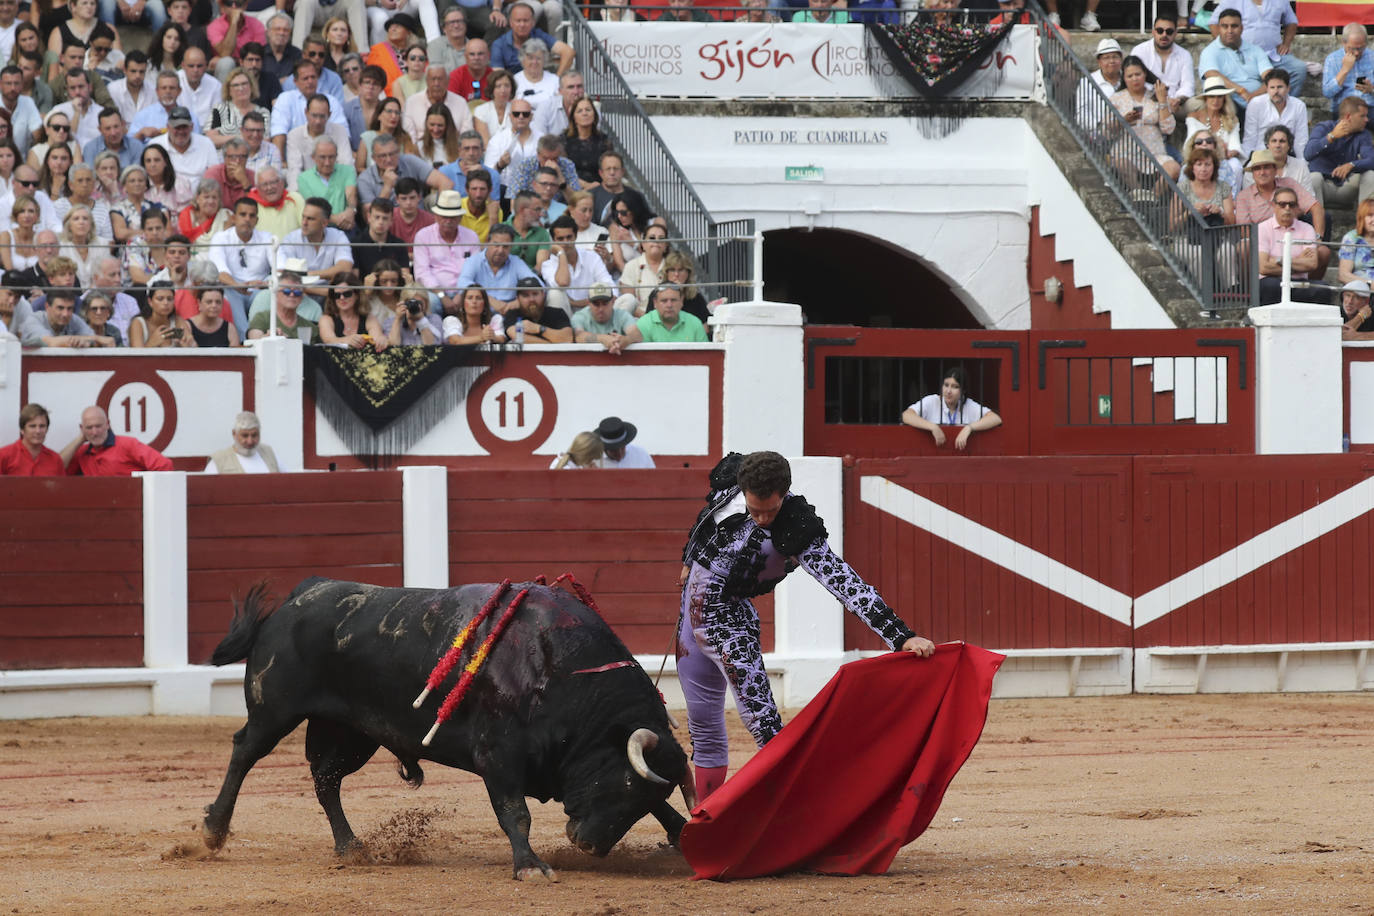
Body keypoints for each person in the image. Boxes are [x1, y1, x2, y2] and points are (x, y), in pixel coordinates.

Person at [677, 449, 935, 799]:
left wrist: (899, 635)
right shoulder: (732, 482)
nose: (764, 519)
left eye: (771, 510)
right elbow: (707, 518)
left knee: (765, 727)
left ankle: (797, 811)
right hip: (688, 628)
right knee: (703, 728)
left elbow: (845, 583)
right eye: (755, 510)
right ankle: (702, 819)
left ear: (785, 493)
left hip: (731, 627)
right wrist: (688, 559)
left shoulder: (797, 528)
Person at [1110, 56, 1180, 186]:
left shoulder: (1155, 95)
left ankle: (1153, 196)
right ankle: (1138, 195)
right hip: (1126, 153)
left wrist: (1162, 101)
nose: (1135, 78)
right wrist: (1123, 120)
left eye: (1138, 74)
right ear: (1124, 78)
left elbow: (1168, 128)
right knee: (1122, 165)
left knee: (1174, 169)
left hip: (1155, 152)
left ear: (1145, 74)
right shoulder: (1116, 98)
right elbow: (1106, 131)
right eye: (1130, 76)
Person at [1211, 0, 1304, 96]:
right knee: (1249, 82)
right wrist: (1227, 47)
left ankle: (1282, 104)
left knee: (1298, 69)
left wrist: (1286, 44)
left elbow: (1291, 22)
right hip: (1245, 55)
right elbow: (1213, 23)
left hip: (1274, 53)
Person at [207, 195, 272, 329]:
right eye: (243, 214)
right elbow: (219, 272)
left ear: (257, 220)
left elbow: (280, 268)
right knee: (227, 292)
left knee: (270, 291)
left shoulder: (267, 238)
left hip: (259, 289)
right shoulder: (220, 238)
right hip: (233, 288)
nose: (247, 219)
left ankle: (256, 335)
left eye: (251, 215)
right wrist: (237, 285)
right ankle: (244, 341)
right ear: (233, 217)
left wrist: (263, 284)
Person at [900, 366, 1003, 449]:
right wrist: (933, 427)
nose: (948, 391)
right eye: (946, 385)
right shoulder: (932, 401)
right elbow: (906, 415)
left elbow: (995, 418)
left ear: (963, 391)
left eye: (955, 387)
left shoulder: (968, 404)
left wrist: (969, 428)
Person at [1305, 96, 1374, 215]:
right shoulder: (1324, 127)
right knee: (1313, 178)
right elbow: (1308, 154)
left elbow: (1371, 160)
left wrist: (1351, 165)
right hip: (1324, 187)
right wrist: (1331, 137)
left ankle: (1365, 229)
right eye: (1362, 116)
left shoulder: (1364, 134)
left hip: (1347, 187)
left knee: (1370, 175)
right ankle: (1316, 228)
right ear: (1348, 117)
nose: (1367, 120)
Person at [414, 188, 481, 311]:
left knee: (476, 300)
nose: (448, 221)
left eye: (453, 217)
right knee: (432, 302)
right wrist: (442, 295)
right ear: (435, 216)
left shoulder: (471, 236)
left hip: (465, 291)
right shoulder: (423, 236)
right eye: (444, 217)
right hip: (435, 292)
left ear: (460, 218)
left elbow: (475, 270)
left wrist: (461, 294)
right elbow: (422, 272)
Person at [1258, 185, 1325, 305]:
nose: (1287, 208)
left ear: (1296, 207)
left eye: (1291, 204)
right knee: (1271, 286)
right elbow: (1263, 267)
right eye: (1282, 204)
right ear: (1274, 206)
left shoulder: (1307, 228)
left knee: (1322, 289)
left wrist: (1277, 260)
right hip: (1271, 281)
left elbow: (1312, 263)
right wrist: (1299, 260)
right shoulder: (1262, 228)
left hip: (1298, 281)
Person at [65, 404, 172, 475]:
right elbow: (57, 469)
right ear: (82, 428)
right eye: (89, 427)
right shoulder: (81, 452)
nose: (95, 432)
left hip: (133, 506)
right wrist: (79, 440)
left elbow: (164, 465)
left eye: (98, 426)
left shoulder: (128, 444)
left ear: (107, 424)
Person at [1197, 8, 1269, 112]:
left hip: (1257, 99)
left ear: (1242, 28)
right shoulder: (1210, 51)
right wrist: (1241, 91)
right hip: (1227, 100)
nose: (1230, 31)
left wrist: (1253, 96)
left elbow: (1270, 77)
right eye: (1225, 26)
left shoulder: (1256, 50)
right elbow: (1212, 74)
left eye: (1234, 26)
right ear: (1218, 28)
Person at [456, 221, 535, 313]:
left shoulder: (516, 262)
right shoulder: (474, 261)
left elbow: (537, 284)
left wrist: (520, 302)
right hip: (481, 313)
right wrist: (490, 300)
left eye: (505, 246)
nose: (500, 250)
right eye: (496, 245)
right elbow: (463, 284)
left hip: (510, 313)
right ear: (487, 242)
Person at [541, 213, 611, 315]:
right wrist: (561, 254)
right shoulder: (548, 265)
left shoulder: (592, 257)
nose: (566, 242)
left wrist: (577, 303)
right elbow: (563, 282)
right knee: (555, 294)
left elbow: (610, 286)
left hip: (593, 312)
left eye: (569, 237)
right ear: (554, 240)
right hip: (565, 317)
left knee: (627, 299)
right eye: (560, 239)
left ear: (576, 236)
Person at [1185, 77, 1243, 192]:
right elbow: (1190, 144)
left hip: (1225, 158)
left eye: (1219, 96)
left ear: (1224, 99)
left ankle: (1234, 200)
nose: (1215, 100)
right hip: (1199, 159)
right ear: (1205, 99)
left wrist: (1227, 153)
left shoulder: (1232, 119)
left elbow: (1235, 146)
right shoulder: (1194, 117)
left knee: (1235, 165)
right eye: (1212, 96)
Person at [1130, 15, 1193, 115]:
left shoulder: (1184, 55)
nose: (1164, 35)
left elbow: (1188, 85)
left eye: (1169, 31)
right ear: (1153, 32)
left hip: (1176, 103)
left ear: (1175, 33)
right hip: (1149, 101)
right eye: (1160, 30)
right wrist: (1161, 99)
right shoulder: (1139, 51)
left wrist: (1177, 100)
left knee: (1198, 104)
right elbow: (1135, 84)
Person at [283, 94, 350, 189]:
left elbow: (346, 164)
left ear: (329, 115)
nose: (318, 121)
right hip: (306, 186)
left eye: (322, 116)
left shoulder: (340, 131)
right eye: (314, 115)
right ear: (306, 112)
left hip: (335, 185)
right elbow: (295, 169)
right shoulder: (294, 135)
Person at [489, 2, 571, 75]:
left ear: (533, 22)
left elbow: (568, 52)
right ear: (510, 23)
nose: (522, 25)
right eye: (518, 21)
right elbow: (498, 76)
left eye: (526, 20)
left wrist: (557, 80)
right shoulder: (499, 44)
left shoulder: (539, 35)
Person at [403, 64, 473, 147]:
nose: (436, 83)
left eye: (440, 79)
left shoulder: (461, 102)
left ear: (448, 81)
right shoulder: (412, 102)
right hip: (420, 153)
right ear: (426, 81)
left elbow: (467, 135)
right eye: (433, 79)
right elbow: (409, 138)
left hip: (453, 152)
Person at [1242, 69, 1308, 157]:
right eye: (1272, 87)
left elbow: (1301, 140)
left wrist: (1302, 163)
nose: (1276, 91)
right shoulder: (1255, 104)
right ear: (1267, 89)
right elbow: (1250, 138)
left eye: (1280, 87)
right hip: (1261, 155)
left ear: (1288, 88)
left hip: (1287, 156)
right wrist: (1248, 161)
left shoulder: (1299, 106)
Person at [21, 284, 114, 346]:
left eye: (69, 308)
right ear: (47, 307)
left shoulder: (73, 319)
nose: (65, 314)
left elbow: (93, 340)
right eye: (60, 308)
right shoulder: (34, 319)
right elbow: (51, 342)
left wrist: (87, 341)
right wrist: (89, 339)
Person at [246, 264, 318, 340]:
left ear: (302, 296)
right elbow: (254, 340)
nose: (292, 294)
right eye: (286, 290)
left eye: (297, 291)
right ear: (276, 293)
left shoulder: (309, 327)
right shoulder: (262, 318)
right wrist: (268, 337)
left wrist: (287, 340)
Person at [318, 271, 383, 348]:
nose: (342, 298)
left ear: (357, 295)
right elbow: (328, 340)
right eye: (337, 295)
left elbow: (376, 339)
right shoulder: (326, 319)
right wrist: (347, 340)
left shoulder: (369, 318)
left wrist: (381, 341)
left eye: (347, 294)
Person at [572, 280, 639, 354]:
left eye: (605, 303)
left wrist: (626, 340)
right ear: (588, 303)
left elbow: (636, 334)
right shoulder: (580, 316)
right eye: (596, 304)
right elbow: (578, 336)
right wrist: (603, 338)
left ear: (613, 301)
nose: (601, 309)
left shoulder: (622, 314)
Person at [204, 410, 281, 473]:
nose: (250, 441)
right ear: (234, 434)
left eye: (254, 435)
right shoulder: (219, 460)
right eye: (245, 435)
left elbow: (286, 482)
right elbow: (206, 489)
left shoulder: (269, 453)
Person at [1322, 22, 1374, 115]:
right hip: (1344, 109)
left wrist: (1372, 90)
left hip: (1369, 107)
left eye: (1361, 48)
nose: (1357, 53)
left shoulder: (1372, 57)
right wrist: (1344, 70)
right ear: (1344, 43)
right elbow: (1327, 93)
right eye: (1352, 48)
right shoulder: (1332, 59)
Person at [0, 402, 64, 475]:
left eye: (42, 426)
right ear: (22, 430)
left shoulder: (55, 459)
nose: (38, 431)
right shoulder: (4, 456)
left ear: (47, 429)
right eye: (32, 426)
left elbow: (62, 486)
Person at [502, 275, 570, 343]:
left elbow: (567, 338)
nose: (532, 299)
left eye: (535, 294)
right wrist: (549, 344)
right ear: (518, 299)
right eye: (525, 295)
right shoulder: (512, 314)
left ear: (543, 294)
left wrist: (538, 328)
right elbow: (515, 335)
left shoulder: (557, 313)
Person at [131, 280, 195, 347]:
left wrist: (188, 346)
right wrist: (151, 343)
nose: (166, 303)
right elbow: (136, 356)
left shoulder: (177, 321)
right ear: (150, 302)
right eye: (160, 299)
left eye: (170, 299)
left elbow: (194, 348)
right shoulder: (138, 323)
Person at [562, 97, 608, 189]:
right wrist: (586, 186)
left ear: (594, 114)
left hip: (599, 187)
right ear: (574, 118)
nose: (584, 113)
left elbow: (608, 168)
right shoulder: (563, 141)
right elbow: (563, 172)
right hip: (571, 189)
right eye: (579, 111)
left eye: (588, 110)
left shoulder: (604, 140)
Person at [636, 283, 707, 343]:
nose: (669, 305)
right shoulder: (643, 324)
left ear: (681, 301)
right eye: (664, 301)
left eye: (673, 300)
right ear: (655, 303)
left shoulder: (695, 323)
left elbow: (705, 356)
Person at [105, 51, 156, 127]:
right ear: (124, 70)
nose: (137, 76)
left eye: (141, 72)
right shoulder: (113, 89)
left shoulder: (153, 90)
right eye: (133, 71)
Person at [1338, 197, 1374, 285]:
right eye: (1370, 215)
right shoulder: (1351, 238)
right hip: (1360, 288)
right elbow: (1343, 275)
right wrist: (1369, 284)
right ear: (1362, 218)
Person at [447, 36, 491, 102]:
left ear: (488, 56)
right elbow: (451, 105)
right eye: (472, 54)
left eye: (480, 54)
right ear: (465, 56)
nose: (476, 58)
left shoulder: (494, 77)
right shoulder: (455, 77)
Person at [427, 6, 467, 73]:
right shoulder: (435, 46)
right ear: (444, 28)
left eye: (459, 21)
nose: (456, 25)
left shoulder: (475, 47)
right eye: (452, 22)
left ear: (465, 25)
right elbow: (437, 73)